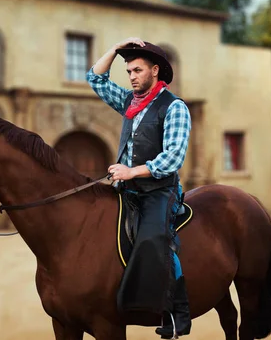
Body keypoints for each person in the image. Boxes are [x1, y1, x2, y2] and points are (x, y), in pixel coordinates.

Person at [86, 37, 192, 338]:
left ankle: (177, 312)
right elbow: (95, 78)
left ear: (155, 71)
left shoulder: (175, 108)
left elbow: (172, 156)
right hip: (129, 188)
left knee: (153, 237)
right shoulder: (130, 103)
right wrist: (117, 48)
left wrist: (131, 172)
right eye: (129, 71)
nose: (131, 76)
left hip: (160, 190)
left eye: (137, 70)